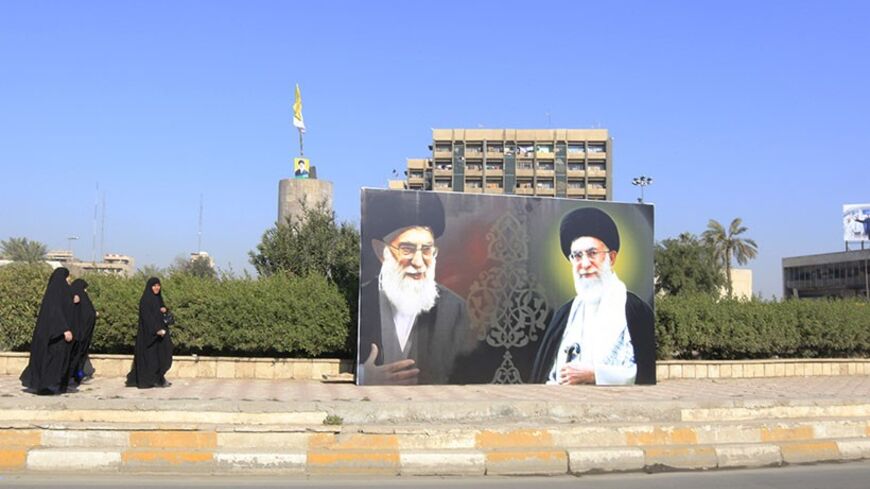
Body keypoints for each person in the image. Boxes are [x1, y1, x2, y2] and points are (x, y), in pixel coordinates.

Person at [358, 192, 475, 385]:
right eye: (407, 249)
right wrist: (364, 376)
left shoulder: (455, 310)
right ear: (381, 251)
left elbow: (465, 374)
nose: (419, 262)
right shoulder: (363, 300)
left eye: (427, 250)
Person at [531, 207, 655, 385]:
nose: (584, 264)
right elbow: (546, 373)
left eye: (592, 253)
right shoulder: (565, 314)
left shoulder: (635, 310)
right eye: (577, 256)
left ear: (612, 258)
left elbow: (644, 372)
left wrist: (596, 374)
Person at [20, 267, 75, 395]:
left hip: (51, 334)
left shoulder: (56, 291)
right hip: (54, 335)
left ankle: (47, 385)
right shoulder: (56, 292)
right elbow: (56, 312)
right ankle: (44, 386)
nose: (69, 280)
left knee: (51, 360)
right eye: (67, 277)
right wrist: (64, 329)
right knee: (50, 360)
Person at [126, 277, 173, 388]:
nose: (157, 288)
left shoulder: (158, 299)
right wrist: (156, 330)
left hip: (161, 335)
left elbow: (160, 314)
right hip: (149, 336)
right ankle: (153, 380)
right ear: (149, 287)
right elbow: (147, 318)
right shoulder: (146, 300)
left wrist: (165, 310)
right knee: (152, 359)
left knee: (164, 355)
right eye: (154, 286)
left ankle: (159, 378)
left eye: (158, 285)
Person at [69, 279, 97, 385]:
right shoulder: (75, 298)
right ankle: (74, 376)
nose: (85, 291)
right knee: (76, 357)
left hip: (80, 335)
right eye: (84, 288)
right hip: (78, 335)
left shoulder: (79, 298)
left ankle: (78, 376)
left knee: (79, 357)